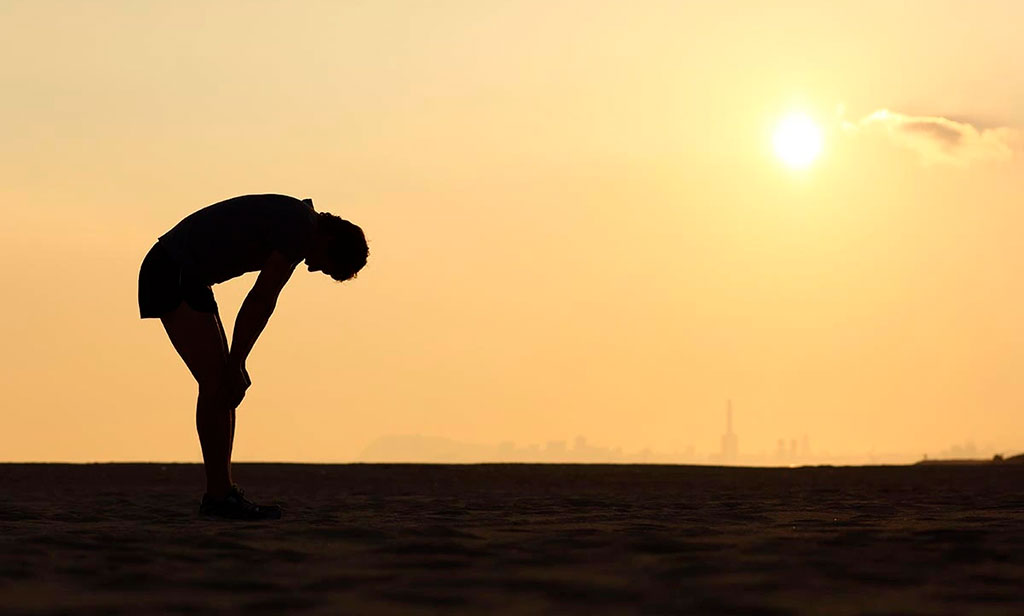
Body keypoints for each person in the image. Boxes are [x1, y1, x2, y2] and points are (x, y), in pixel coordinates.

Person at [138, 194, 368, 520]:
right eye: (326, 266)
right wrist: (236, 362)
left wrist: (237, 362)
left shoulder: (300, 226)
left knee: (222, 386)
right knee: (217, 383)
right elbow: (260, 299)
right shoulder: (299, 228)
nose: (314, 268)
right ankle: (218, 496)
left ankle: (222, 492)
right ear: (330, 240)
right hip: (169, 270)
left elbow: (263, 303)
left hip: (187, 276)